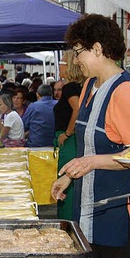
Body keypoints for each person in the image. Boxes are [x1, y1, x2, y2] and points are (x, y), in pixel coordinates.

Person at [50, 14, 130, 258]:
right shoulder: (88, 88)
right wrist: (69, 177)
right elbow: (86, 146)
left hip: (120, 219)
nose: (75, 59)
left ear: (97, 49)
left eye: (79, 51)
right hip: (91, 213)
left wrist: (92, 162)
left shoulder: (124, 93)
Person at [53, 51, 85, 220]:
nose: (59, 66)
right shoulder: (78, 86)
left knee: (67, 177)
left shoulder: (70, 87)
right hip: (71, 138)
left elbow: (77, 109)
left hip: (69, 139)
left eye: (62, 63)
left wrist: (67, 133)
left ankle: (68, 220)